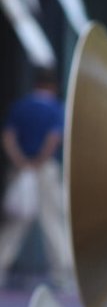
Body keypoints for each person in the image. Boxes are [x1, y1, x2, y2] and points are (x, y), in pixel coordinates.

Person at [0, 65, 73, 290]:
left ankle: (1, 268)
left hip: (21, 170)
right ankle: (62, 274)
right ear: (53, 86)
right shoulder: (54, 109)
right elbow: (54, 138)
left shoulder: (20, 107)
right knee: (53, 222)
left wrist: (21, 161)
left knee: (16, 222)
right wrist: (39, 161)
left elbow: (8, 137)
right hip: (45, 171)